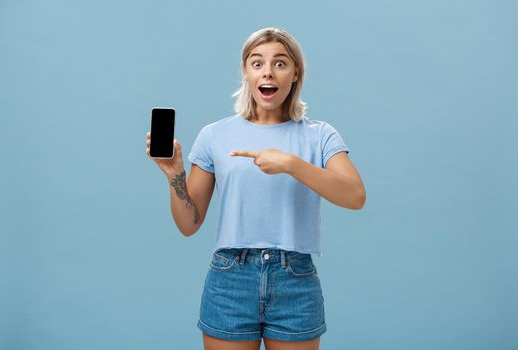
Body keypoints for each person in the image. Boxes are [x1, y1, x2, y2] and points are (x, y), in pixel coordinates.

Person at [146, 27, 365, 350]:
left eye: (280, 63)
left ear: (295, 73)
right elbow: (188, 224)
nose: (268, 71)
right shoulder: (214, 135)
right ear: (246, 73)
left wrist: (290, 164)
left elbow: (354, 195)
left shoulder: (320, 136)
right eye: (257, 62)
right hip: (230, 278)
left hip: (295, 280)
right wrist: (174, 175)